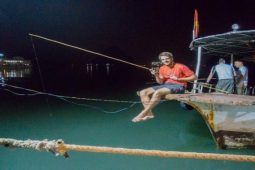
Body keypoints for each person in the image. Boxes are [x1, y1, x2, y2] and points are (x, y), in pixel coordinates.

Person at [132, 52, 197, 123]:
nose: (165, 61)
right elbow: (160, 82)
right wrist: (156, 74)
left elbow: (194, 77)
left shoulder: (181, 66)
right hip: (166, 85)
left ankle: (143, 113)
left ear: (172, 58)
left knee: (158, 92)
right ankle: (150, 114)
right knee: (143, 92)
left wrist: (178, 79)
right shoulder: (162, 68)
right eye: (163, 59)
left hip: (179, 85)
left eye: (167, 58)